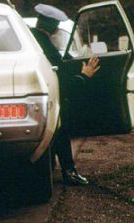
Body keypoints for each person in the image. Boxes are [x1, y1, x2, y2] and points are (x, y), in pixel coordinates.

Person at [31, 10, 99, 186]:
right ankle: (69, 171)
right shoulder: (44, 43)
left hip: (37, 94)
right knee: (61, 128)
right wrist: (83, 75)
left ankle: (55, 165)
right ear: (52, 26)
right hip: (48, 95)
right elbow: (60, 76)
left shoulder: (33, 39)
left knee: (57, 129)